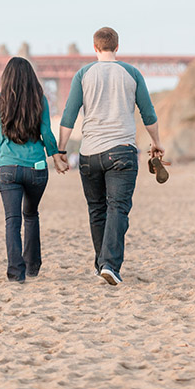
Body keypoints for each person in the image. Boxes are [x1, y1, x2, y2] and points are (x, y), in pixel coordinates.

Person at [55, 27, 164, 286]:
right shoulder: (131, 73)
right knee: (118, 208)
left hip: (89, 154)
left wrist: (61, 150)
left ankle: (101, 264)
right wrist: (156, 142)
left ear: (94, 48)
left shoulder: (83, 74)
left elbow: (69, 116)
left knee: (97, 209)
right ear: (117, 46)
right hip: (121, 151)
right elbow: (148, 113)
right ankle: (109, 265)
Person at [0, 57, 68, 282]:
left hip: (8, 169)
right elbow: (47, 133)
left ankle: (15, 273)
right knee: (30, 214)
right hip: (37, 168)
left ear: (6, 78)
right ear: (31, 77)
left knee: (12, 219)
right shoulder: (40, 100)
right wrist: (56, 158)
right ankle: (33, 266)